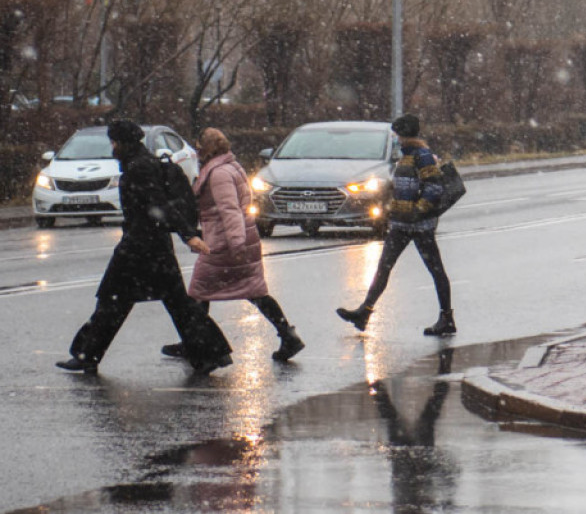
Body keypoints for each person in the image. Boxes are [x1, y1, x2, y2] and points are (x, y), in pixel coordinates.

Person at [57, 120, 234, 376]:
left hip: (140, 248)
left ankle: (87, 355)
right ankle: (211, 353)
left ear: (123, 143)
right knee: (175, 304)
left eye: (114, 142)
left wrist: (187, 235)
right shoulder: (141, 162)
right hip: (153, 248)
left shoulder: (139, 167)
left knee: (112, 302)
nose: (112, 147)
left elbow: (158, 205)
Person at [158, 128, 304, 362]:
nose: (196, 149)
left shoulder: (219, 174)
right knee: (254, 290)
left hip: (224, 241)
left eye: (199, 145)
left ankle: (194, 343)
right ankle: (288, 335)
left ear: (208, 148)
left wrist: (236, 245)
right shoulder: (230, 166)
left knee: (197, 292)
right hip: (237, 238)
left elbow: (230, 210)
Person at [337, 114, 455, 336]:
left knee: (435, 270)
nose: (395, 138)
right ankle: (364, 312)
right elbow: (403, 186)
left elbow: (434, 187)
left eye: (396, 134)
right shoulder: (407, 156)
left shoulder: (422, 156)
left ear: (403, 134)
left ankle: (447, 318)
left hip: (420, 226)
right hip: (401, 223)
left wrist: (417, 211)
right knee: (384, 268)